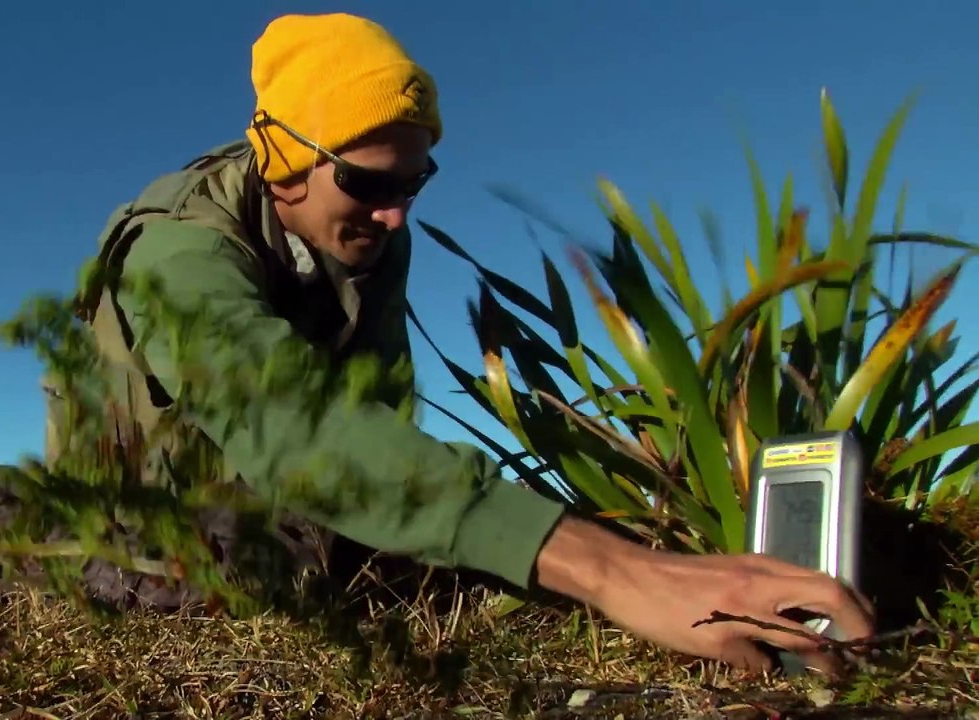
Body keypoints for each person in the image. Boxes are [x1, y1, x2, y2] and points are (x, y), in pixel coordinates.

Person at [48, 11, 875, 676]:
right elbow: (290, 427)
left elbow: (372, 420)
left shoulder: (371, 238)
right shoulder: (176, 252)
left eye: (413, 182)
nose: (396, 213)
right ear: (284, 162)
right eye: (370, 183)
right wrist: (618, 574)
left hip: (283, 511)